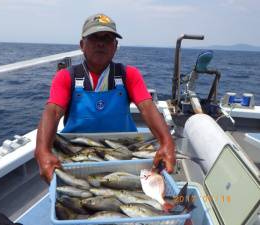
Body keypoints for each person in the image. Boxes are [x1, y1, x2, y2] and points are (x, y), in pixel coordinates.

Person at [35, 13, 175, 183]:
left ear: (115, 46)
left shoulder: (129, 75)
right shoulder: (66, 77)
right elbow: (53, 111)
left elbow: (147, 107)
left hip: (123, 151)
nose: (101, 43)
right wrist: (42, 151)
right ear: (82, 45)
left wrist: (167, 142)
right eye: (94, 38)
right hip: (77, 151)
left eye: (108, 38)